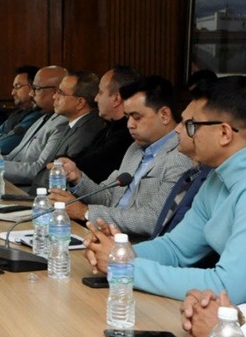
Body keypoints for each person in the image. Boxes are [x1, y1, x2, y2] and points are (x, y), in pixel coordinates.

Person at [84, 76, 246, 302]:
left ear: (224, 133)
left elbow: (229, 288)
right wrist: (117, 252)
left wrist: (126, 267)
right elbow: (177, 249)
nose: (178, 131)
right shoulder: (219, 175)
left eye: (190, 125)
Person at [49, 76, 190, 240]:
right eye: (128, 117)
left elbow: (153, 219)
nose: (130, 124)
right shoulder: (135, 149)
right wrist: (78, 178)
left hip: (135, 246)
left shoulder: (181, 156)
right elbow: (109, 196)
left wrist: (85, 212)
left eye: (137, 117)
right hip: (104, 235)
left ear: (164, 115)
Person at [8, 70, 103, 189]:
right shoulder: (72, 125)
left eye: (61, 93)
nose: (54, 97)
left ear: (80, 102)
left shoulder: (85, 132)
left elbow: (65, 179)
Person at [0, 65, 67, 176]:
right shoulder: (42, 118)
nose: (31, 94)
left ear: (56, 92)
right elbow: (14, 156)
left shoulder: (61, 123)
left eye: (36, 89)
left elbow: (39, 169)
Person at [71, 66, 138, 183]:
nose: (96, 99)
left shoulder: (127, 136)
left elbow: (87, 170)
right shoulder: (106, 129)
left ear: (116, 99)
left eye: (100, 92)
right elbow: (79, 158)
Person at [0, 65, 40, 154]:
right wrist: (5, 136)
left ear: (33, 87)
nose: (13, 92)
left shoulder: (36, 115)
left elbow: (2, 147)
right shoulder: (16, 114)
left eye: (18, 86)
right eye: (13, 87)